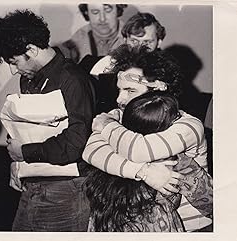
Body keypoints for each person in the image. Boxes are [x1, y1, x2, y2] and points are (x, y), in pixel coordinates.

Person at [0, 9, 94, 231]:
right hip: (33, 185)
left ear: (32, 50)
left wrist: (24, 153)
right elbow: (24, 128)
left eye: (14, 62)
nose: (13, 71)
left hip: (67, 192)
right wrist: (17, 164)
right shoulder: (29, 78)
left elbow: (76, 142)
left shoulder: (73, 80)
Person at [83, 45, 212, 232]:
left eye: (130, 90)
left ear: (159, 87)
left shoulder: (188, 125)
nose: (120, 99)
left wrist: (107, 125)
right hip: (144, 224)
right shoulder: (120, 115)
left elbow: (139, 149)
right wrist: (145, 171)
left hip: (190, 227)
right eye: (119, 90)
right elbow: (91, 151)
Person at [90, 11, 166, 76]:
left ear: (159, 43)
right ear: (125, 40)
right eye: (134, 41)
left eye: (147, 42)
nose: (140, 47)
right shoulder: (106, 64)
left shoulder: (167, 71)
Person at [60, 4, 127, 63]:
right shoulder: (75, 41)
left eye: (107, 10)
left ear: (118, 9)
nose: (102, 19)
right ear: (86, 12)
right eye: (95, 12)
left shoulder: (132, 37)